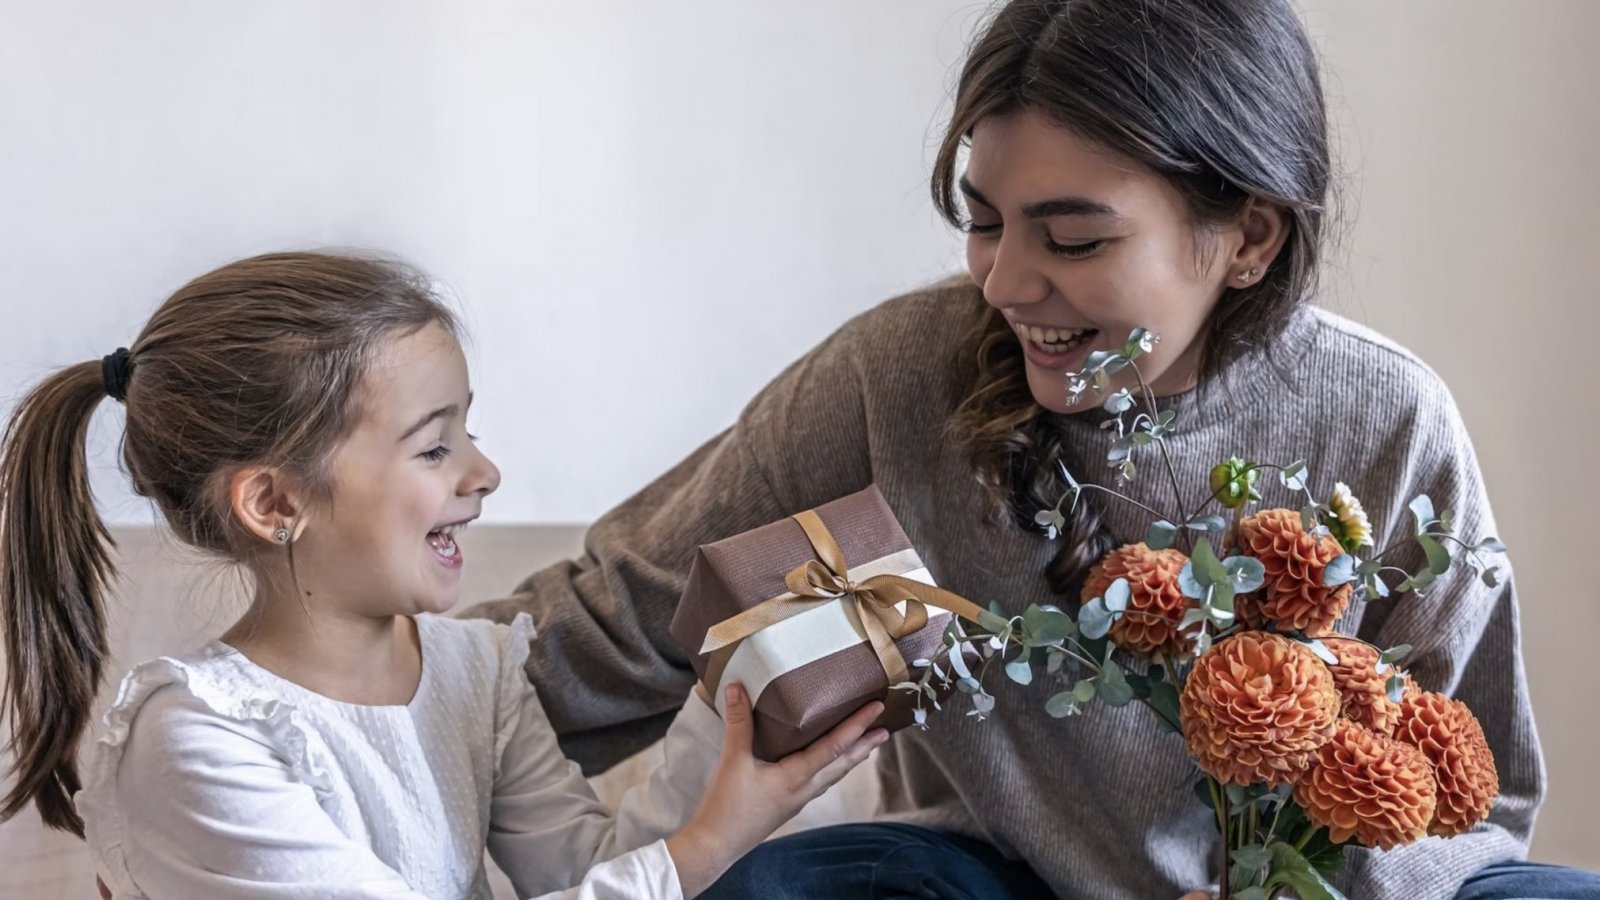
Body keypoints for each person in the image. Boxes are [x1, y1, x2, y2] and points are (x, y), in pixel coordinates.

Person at [465, 1, 1600, 897]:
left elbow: (1469, 792)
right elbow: (613, 619)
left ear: (1247, 234)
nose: (1005, 283)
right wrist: (330, 678)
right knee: (794, 882)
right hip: (986, 878)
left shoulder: (1386, 418)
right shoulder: (892, 376)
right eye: (983, 220)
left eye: (1073, 236)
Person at [0, 251, 885, 899]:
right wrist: (703, 847)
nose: (483, 472)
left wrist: (731, 719)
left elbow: (587, 876)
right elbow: (663, 874)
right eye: (434, 446)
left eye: (469, 431)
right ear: (273, 504)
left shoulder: (475, 670)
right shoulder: (198, 742)